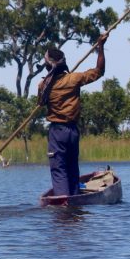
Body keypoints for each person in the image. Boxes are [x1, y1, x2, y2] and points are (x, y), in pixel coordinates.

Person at [37, 32, 109, 198]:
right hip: (73, 132)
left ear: (49, 66)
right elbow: (99, 71)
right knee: (71, 168)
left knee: (59, 169)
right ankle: (75, 203)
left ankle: (64, 207)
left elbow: (40, 103)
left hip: (57, 133)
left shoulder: (43, 85)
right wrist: (100, 46)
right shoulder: (74, 79)